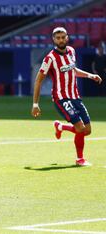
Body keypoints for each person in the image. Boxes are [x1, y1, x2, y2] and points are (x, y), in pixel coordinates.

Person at [31, 27, 102, 166]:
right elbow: (39, 80)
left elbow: (73, 70)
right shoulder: (50, 58)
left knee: (87, 130)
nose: (61, 40)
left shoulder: (71, 51)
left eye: (63, 37)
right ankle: (80, 159)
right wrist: (35, 104)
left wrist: (90, 75)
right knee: (80, 128)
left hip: (75, 96)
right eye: (58, 38)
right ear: (53, 39)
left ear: (67, 37)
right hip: (61, 98)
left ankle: (61, 127)